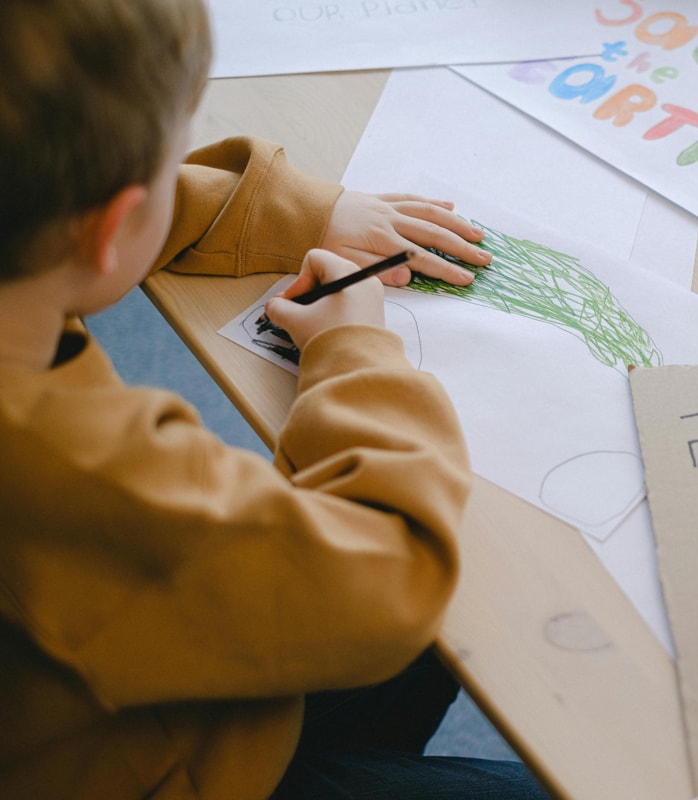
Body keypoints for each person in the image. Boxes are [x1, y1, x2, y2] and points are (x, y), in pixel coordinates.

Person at [0, 1, 547, 798]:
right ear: (113, 224)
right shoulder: (67, 463)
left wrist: (306, 211)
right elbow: (393, 575)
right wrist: (353, 352)